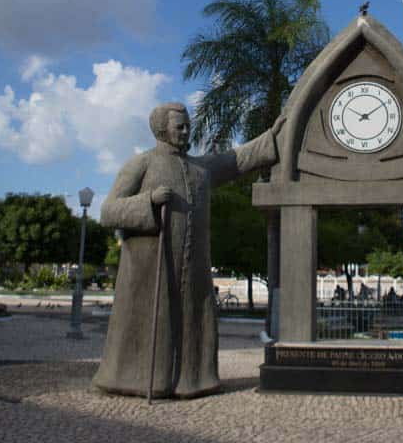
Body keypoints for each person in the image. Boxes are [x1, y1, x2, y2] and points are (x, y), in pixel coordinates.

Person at [92, 102, 284, 399]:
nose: (186, 131)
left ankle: (193, 381)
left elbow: (236, 160)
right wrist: (149, 202)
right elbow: (108, 212)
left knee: (194, 320)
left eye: (187, 126)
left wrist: (275, 137)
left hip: (192, 268)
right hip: (149, 268)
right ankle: (132, 380)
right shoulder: (141, 164)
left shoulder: (199, 169)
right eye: (179, 126)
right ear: (161, 130)